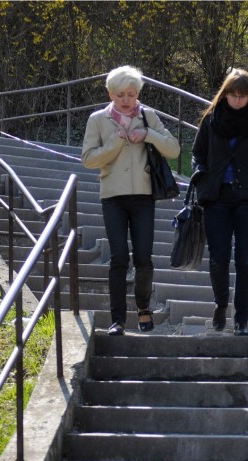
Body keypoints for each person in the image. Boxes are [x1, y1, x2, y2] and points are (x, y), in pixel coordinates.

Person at [82, 65, 180, 336]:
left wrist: (148, 134)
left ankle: (144, 308)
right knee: (118, 258)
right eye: (120, 94)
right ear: (110, 94)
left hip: (143, 197)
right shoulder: (98, 119)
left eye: (131, 94)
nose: (126, 100)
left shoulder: (148, 116)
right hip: (112, 197)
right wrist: (114, 144)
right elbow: (88, 159)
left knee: (144, 258)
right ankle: (118, 320)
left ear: (138, 93)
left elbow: (173, 149)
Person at [190, 68, 248, 336]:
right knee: (218, 259)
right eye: (233, 94)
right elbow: (197, 154)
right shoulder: (211, 119)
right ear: (225, 94)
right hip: (216, 198)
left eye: (243, 96)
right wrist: (201, 177)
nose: (237, 100)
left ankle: (242, 318)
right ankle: (221, 305)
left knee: (244, 260)